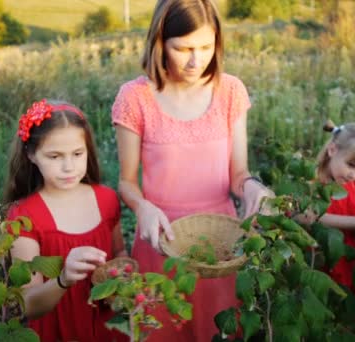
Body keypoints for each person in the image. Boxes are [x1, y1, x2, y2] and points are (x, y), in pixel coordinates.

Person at [111, 0, 274, 340]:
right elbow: (127, 182)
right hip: (163, 239)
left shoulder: (230, 91)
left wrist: (254, 187)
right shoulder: (135, 97)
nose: (195, 60)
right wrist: (143, 207)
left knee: (215, 329)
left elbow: (238, 174)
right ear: (160, 43)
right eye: (182, 48)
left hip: (220, 244)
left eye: (205, 46)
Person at [4, 99, 128, 342]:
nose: (68, 166)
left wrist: (122, 278)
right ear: (31, 154)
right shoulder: (24, 217)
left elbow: (119, 251)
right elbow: (27, 304)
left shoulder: (106, 199)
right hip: (60, 329)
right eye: (54, 156)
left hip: (107, 326)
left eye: (77, 154)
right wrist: (63, 279)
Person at [297, 120, 355, 303]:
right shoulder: (313, 181)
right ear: (332, 150)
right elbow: (308, 217)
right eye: (351, 165)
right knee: (332, 300)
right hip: (329, 254)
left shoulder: (354, 181)